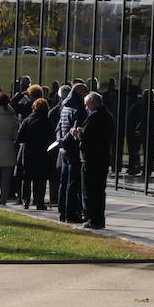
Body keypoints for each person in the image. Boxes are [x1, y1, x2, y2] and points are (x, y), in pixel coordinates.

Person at [79, 91, 115, 229]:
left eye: (87, 105)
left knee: (89, 189)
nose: (86, 107)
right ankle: (99, 218)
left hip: (91, 157)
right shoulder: (108, 115)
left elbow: (87, 135)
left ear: (93, 103)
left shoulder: (95, 116)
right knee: (100, 190)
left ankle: (92, 218)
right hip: (103, 157)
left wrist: (78, 133)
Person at [56, 82, 89, 224]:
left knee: (64, 182)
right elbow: (75, 129)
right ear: (80, 93)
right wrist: (64, 140)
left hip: (64, 149)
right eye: (85, 93)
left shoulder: (64, 106)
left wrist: (59, 140)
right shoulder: (79, 108)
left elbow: (59, 126)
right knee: (73, 183)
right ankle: (71, 213)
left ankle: (62, 211)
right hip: (73, 149)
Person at [16, 97, 57, 210]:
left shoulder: (27, 120)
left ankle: (26, 201)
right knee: (41, 179)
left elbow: (20, 137)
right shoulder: (48, 122)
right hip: (43, 153)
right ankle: (39, 202)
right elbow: (52, 138)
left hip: (28, 152)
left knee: (27, 177)